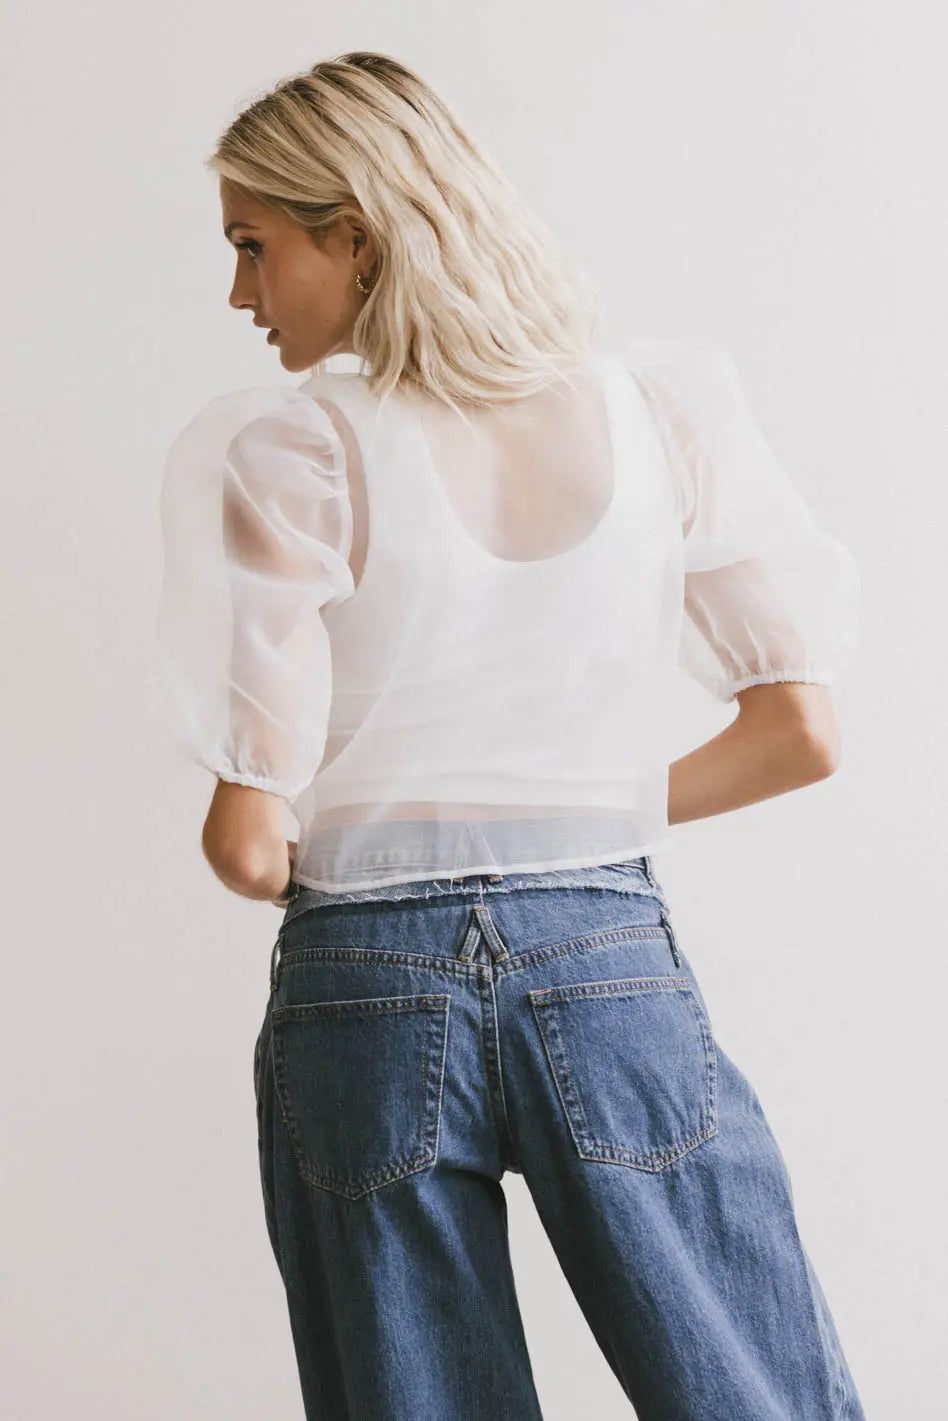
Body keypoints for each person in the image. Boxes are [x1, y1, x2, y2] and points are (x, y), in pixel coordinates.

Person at [153, 50, 866, 1421]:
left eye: (254, 246)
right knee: (752, 1390)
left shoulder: (299, 454)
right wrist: (580, 809)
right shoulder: (659, 416)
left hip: (366, 977)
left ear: (354, 238)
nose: (241, 293)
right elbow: (800, 734)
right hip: (606, 956)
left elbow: (247, 844)